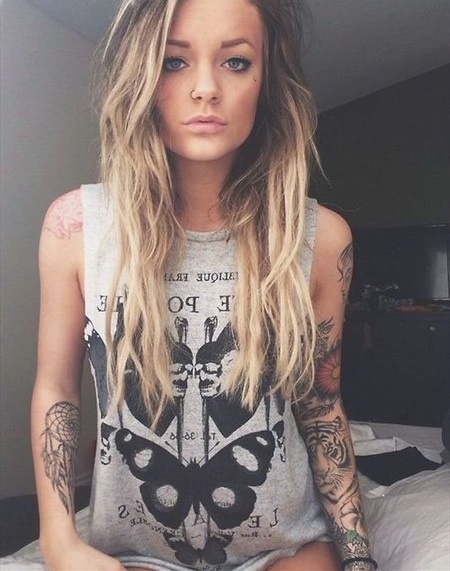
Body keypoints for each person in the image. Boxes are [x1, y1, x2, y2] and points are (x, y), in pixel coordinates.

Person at [31, 0, 378, 570]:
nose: (206, 89)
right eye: (174, 61)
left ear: (268, 82)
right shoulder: (76, 227)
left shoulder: (321, 238)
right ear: (141, 77)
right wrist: (59, 540)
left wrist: (358, 558)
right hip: (136, 549)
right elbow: (56, 390)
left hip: (288, 546)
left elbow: (320, 407)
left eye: (236, 62)